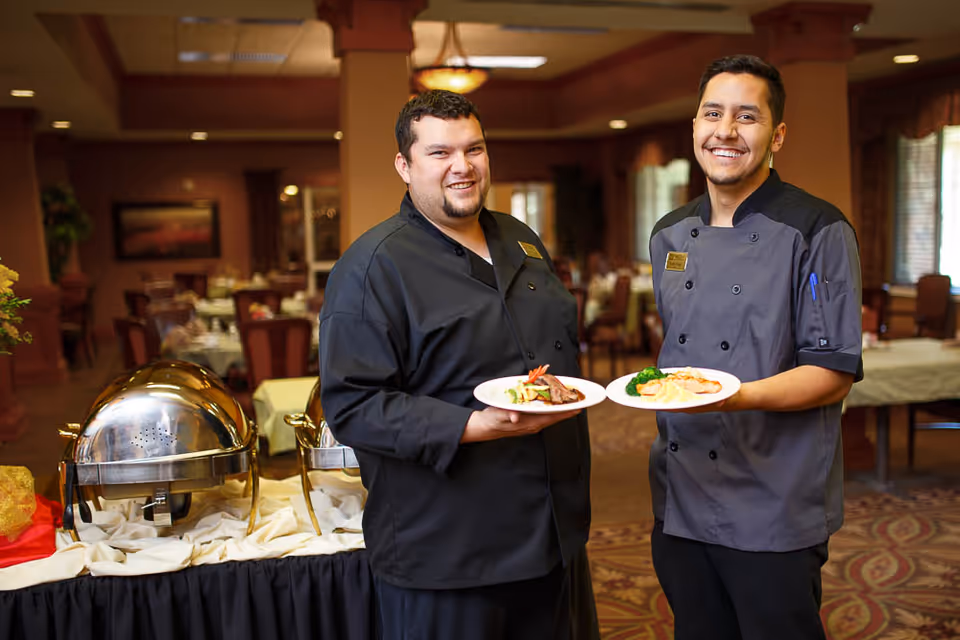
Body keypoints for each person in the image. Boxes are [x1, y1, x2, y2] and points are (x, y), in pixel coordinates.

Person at [318, 90, 599, 640]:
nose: (462, 167)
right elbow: (353, 405)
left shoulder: (522, 239)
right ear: (404, 165)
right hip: (448, 552)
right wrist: (475, 425)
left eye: (474, 149)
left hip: (553, 535)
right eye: (440, 153)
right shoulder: (371, 267)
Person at [647, 54, 862, 640]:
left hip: (774, 498)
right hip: (681, 490)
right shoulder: (667, 233)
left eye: (747, 117)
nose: (726, 131)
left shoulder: (818, 230)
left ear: (777, 134)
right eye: (712, 114)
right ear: (694, 126)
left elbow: (833, 370)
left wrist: (727, 398)